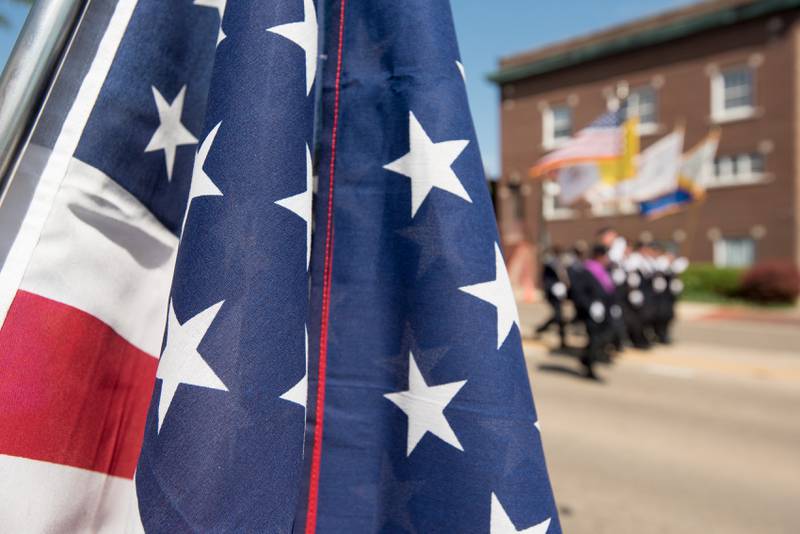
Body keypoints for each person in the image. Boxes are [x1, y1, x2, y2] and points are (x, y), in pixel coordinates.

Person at [571, 244, 616, 380]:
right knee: (595, 339)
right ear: (599, 256)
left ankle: (586, 358)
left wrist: (613, 305)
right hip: (591, 312)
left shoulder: (604, 271)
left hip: (604, 311)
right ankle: (589, 367)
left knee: (605, 336)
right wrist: (591, 305)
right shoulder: (586, 270)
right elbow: (579, 292)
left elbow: (609, 290)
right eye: (606, 256)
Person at [535, 245, 570, 348]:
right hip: (552, 294)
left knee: (558, 316)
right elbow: (546, 280)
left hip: (559, 294)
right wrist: (553, 288)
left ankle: (541, 329)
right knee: (559, 316)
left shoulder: (560, 264)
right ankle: (562, 339)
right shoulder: (550, 265)